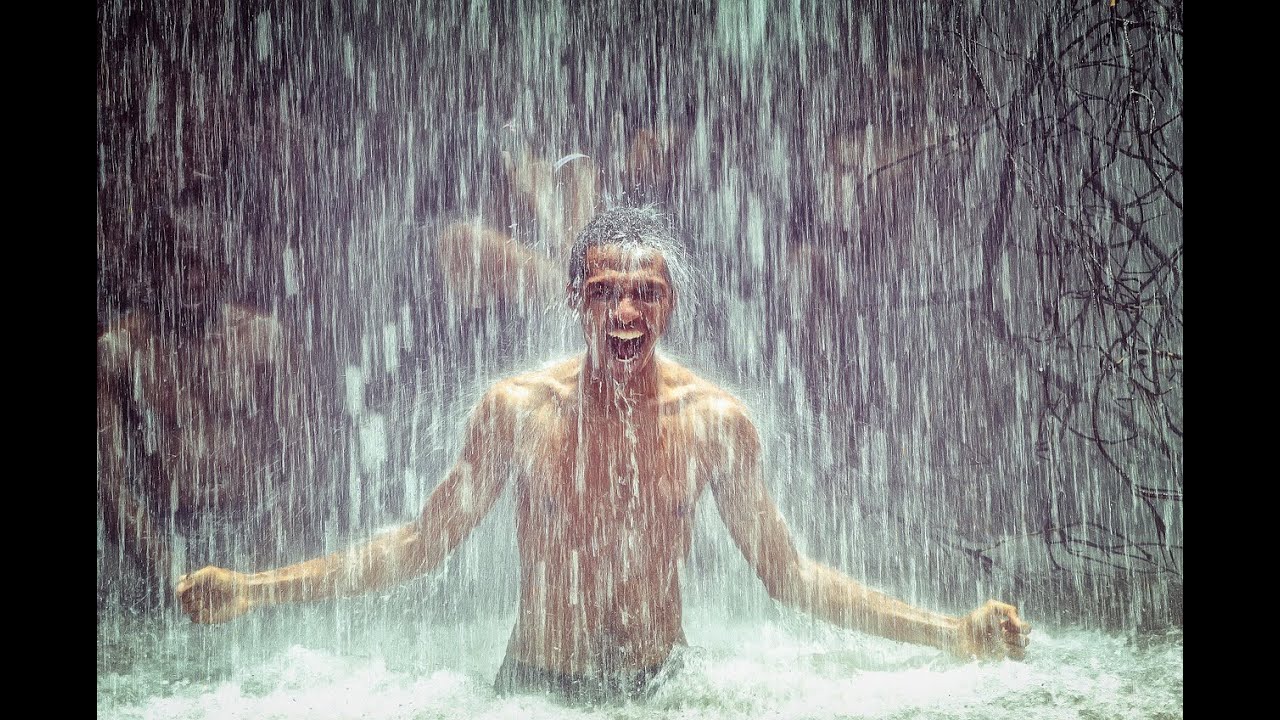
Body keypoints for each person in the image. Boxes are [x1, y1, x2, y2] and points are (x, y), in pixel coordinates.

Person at [177, 206, 1030, 704]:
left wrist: (949, 632)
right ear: (575, 302)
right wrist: (256, 589)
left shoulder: (714, 422)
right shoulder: (518, 410)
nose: (627, 309)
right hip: (535, 696)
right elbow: (415, 546)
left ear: (671, 304)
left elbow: (792, 575)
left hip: (665, 695)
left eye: (646, 292)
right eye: (606, 292)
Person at [98, 184, 345, 605]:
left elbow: (310, 461)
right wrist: (171, 571)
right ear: (152, 266)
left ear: (225, 266)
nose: (192, 279)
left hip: (255, 526)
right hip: (161, 533)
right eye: (177, 263)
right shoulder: (119, 352)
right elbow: (109, 482)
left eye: (203, 264)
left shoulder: (264, 342)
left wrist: (253, 572)